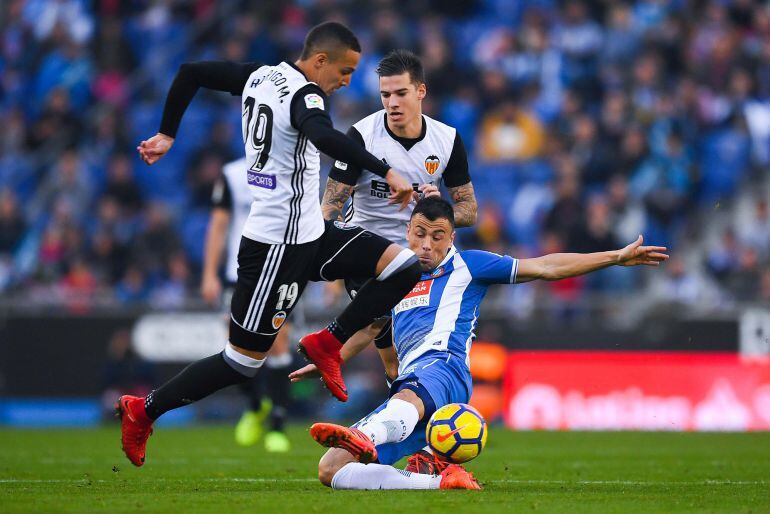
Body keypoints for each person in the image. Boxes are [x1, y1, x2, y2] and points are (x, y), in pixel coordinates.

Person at [117, 22, 424, 468]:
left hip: (310, 233)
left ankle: (329, 343)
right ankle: (143, 410)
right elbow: (323, 136)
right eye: (345, 70)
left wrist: (168, 132)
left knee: (403, 267)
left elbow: (190, 72)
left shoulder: (260, 75)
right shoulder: (305, 95)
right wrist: (386, 169)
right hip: (277, 246)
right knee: (241, 363)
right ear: (320, 61)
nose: (346, 81)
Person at [291, 197, 668, 490]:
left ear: (451, 238)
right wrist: (329, 357)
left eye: (437, 237)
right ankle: (438, 482)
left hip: (444, 372)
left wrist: (614, 257)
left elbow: (545, 266)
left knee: (402, 399)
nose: (426, 245)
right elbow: (371, 329)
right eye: (419, 233)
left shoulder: (470, 265)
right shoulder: (394, 277)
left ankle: (366, 435)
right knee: (333, 469)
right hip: (408, 395)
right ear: (407, 232)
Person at [321, 49, 478, 380]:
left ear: (421, 91)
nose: (392, 103)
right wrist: (331, 266)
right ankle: (327, 356)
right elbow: (330, 205)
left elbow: (469, 210)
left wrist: (444, 211)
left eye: (400, 93)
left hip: (420, 255)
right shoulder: (362, 136)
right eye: (385, 94)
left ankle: (404, 410)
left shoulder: (446, 140)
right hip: (367, 252)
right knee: (387, 331)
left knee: (398, 360)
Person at [201, 157, 291, 452]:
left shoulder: (292, 167)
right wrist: (209, 274)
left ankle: (277, 425)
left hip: (281, 267)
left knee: (278, 342)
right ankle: (255, 405)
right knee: (235, 345)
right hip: (237, 273)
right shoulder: (232, 174)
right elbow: (218, 225)